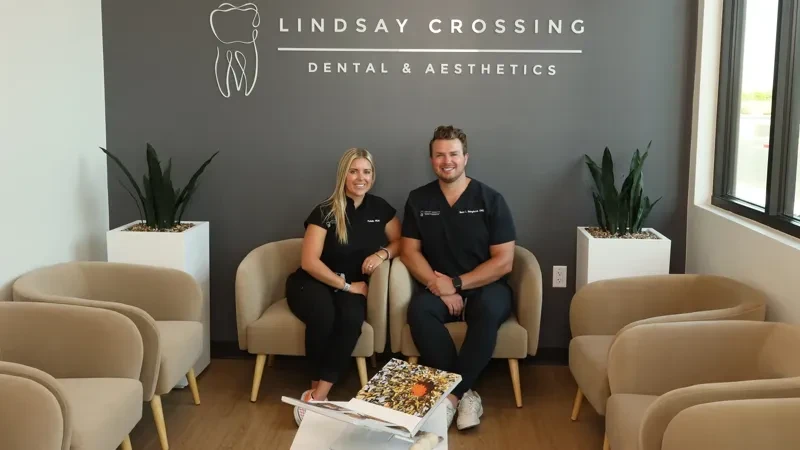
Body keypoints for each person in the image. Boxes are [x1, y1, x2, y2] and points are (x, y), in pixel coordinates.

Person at [400, 125, 516, 430]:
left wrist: (456, 283)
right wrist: (439, 286)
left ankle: (452, 397)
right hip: (437, 287)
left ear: (466, 157)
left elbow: (504, 261)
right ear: (431, 160)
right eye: (440, 155)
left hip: (486, 287)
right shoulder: (419, 199)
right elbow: (409, 251)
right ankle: (467, 393)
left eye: (453, 154)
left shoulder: (490, 199)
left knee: (488, 310)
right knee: (418, 311)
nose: (447, 161)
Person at [286, 147, 401, 426]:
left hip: (355, 285)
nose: (360, 178)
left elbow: (401, 242)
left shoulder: (380, 208)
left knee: (351, 319)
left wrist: (382, 254)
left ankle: (318, 396)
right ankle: (314, 390)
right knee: (324, 315)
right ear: (343, 175)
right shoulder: (325, 210)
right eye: (353, 171)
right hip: (313, 282)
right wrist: (347, 287)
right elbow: (310, 262)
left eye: (366, 172)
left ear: (373, 176)